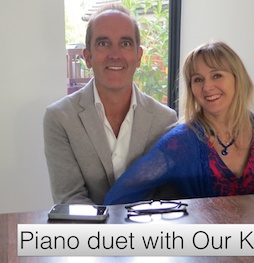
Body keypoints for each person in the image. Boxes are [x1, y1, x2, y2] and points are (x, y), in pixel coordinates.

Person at [103, 41, 254, 205]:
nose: (207, 87)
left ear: (238, 78)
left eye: (217, 76)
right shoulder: (180, 142)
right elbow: (117, 198)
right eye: (198, 79)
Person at [43, 3, 177, 205]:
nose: (115, 54)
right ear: (88, 57)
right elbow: (70, 199)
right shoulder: (59, 118)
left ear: (139, 56)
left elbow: (166, 199)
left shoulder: (165, 121)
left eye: (125, 43)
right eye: (104, 43)